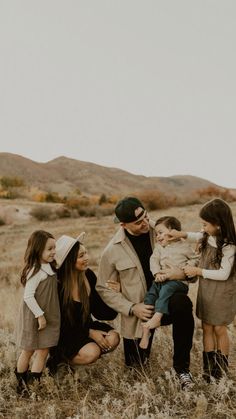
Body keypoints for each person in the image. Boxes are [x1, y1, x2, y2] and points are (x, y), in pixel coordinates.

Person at [96, 197, 195, 389]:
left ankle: (182, 370)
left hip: (168, 298)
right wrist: (132, 308)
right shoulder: (111, 251)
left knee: (183, 303)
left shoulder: (162, 231)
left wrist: (180, 273)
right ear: (124, 225)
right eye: (138, 222)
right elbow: (103, 288)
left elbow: (189, 259)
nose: (145, 223)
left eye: (145, 216)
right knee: (135, 371)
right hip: (140, 311)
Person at [169, 198, 236, 382]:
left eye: (206, 224)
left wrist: (198, 271)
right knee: (206, 326)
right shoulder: (207, 236)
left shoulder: (229, 246)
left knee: (219, 328)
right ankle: (208, 369)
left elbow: (223, 274)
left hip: (222, 292)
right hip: (207, 290)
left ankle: (220, 370)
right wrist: (178, 233)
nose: (203, 227)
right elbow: (192, 235)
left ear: (219, 225)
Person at [47, 233, 120, 373]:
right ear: (69, 260)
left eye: (86, 253)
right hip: (64, 333)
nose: (87, 258)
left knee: (114, 338)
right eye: (81, 256)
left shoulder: (88, 275)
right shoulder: (57, 284)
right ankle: (59, 362)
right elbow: (59, 323)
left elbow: (102, 312)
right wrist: (90, 333)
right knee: (92, 352)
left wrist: (113, 295)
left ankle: (84, 354)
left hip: (85, 326)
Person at [139, 216, 198, 349]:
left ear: (172, 231)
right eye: (156, 234)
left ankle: (158, 316)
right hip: (160, 280)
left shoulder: (185, 246)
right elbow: (153, 260)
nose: (157, 237)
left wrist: (187, 268)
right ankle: (146, 330)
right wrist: (157, 273)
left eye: (160, 233)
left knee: (166, 291)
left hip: (178, 283)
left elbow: (195, 259)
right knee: (150, 296)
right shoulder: (159, 248)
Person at [14, 230, 60, 394]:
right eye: (49, 249)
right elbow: (28, 296)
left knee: (44, 350)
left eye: (55, 248)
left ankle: (34, 384)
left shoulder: (50, 267)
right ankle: (21, 385)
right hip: (35, 316)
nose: (54, 252)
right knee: (28, 350)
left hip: (50, 316)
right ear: (37, 249)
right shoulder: (35, 270)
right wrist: (40, 315)